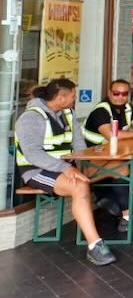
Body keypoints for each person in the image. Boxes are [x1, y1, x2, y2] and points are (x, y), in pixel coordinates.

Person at [15, 79, 116, 266]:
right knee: (80, 186)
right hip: (36, 170)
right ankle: (95, 245)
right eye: (72, 96)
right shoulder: (30, 118)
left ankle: (120, 209)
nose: (75, 99)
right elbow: (32, 154)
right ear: (60, 98)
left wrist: (85, 164)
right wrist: (67, 168)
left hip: (66, 166)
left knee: (120, 168)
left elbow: (78, 145)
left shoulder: (68, 113)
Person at [82, 79, 133, 231]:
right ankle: (126, 215)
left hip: (114, 154)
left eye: (124, 93)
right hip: (94, 159)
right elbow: (111, 135)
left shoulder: (127, 107)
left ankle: (111, 199)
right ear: (109, 93)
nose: (120, 96)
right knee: (123, 169)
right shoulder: (101, 111)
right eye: (116, 93)